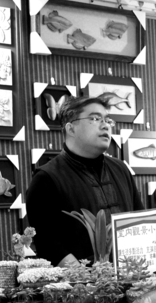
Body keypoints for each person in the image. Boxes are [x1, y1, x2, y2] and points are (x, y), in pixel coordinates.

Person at [26, 94, 143, 266]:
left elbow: (139, 220)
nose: (105, 125)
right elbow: (49, 243)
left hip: (134, 273)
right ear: (71, 128)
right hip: (83, 279)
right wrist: (88, 278)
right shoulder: (46, 178)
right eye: (95, 118)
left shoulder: (121, 169)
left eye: (107, 120)